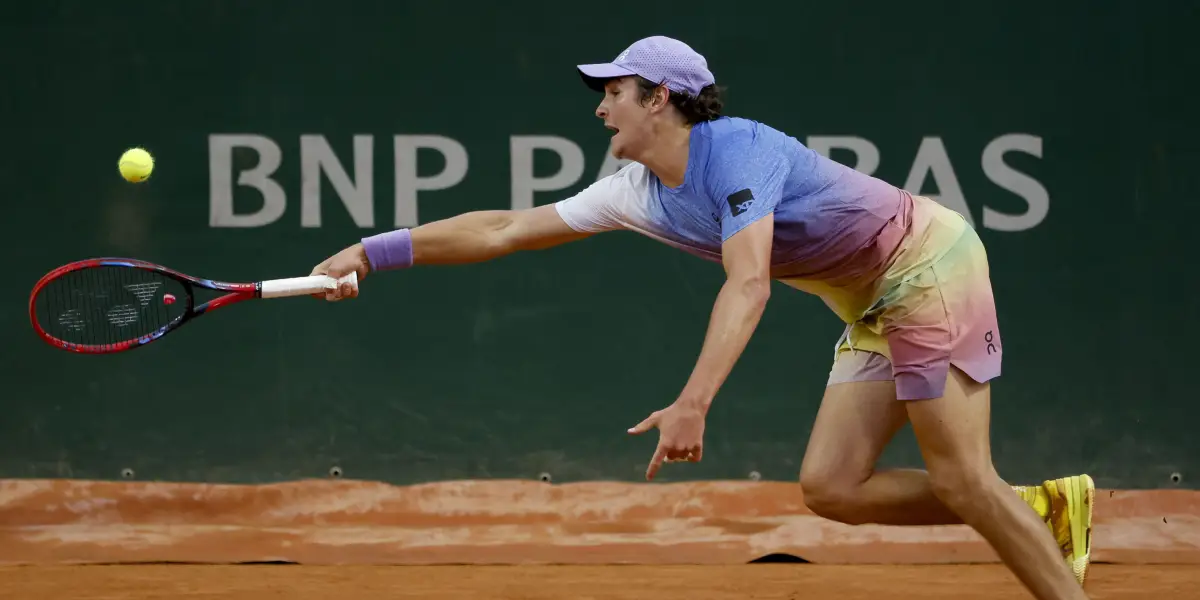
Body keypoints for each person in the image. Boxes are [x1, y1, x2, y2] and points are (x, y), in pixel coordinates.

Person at [309, 35, 1094, 599]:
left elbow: (748, 284)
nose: (601, 110)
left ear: (661, 99)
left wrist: (694, 401)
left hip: (926, 268)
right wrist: (371, 253)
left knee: (960, 476)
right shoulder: (635, 191)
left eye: (614, 93)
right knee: (831, 487)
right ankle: (1035, 510)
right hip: (868, 300)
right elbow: (504, 228)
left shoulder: (741, 153)